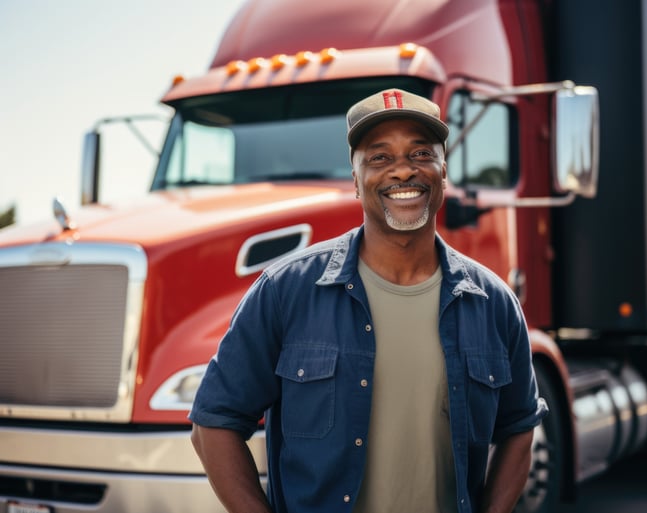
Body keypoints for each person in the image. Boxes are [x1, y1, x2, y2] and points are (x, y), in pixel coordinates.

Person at [190, 88, 548, 513]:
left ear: (443, 171)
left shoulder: (494, 303)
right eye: (379, 157)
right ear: (356, 180)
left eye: (420, 153)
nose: (402, 171)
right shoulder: (285, 291)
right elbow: (213, 425)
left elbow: (519, 428)